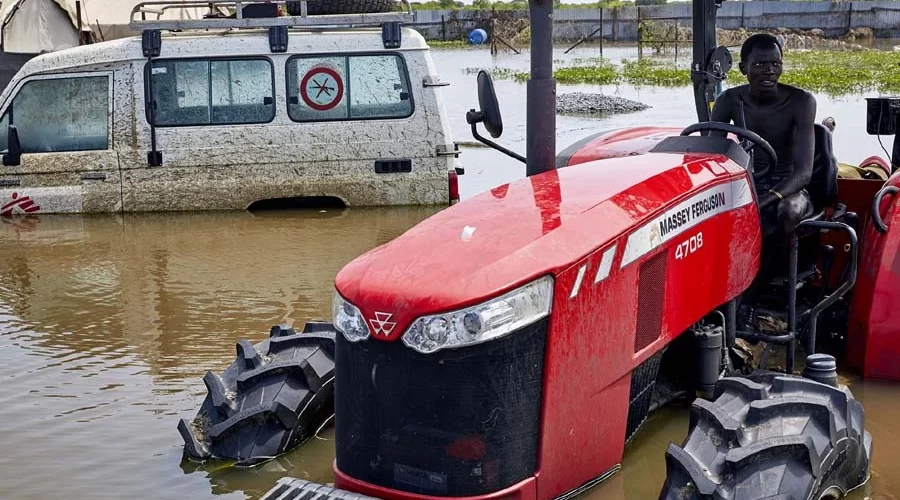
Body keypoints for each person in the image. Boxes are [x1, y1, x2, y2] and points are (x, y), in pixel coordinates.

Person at [710, 33, 817, 243]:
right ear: (743, 69)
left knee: (788, 211)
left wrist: (767, 199)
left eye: (776, 64)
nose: (770, 70)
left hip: (789, 189)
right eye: (760, 64)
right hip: (749, 182)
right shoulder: (729, 100)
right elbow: (713, 157)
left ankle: (781, 272)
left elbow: (804, 173)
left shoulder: (801, 101)